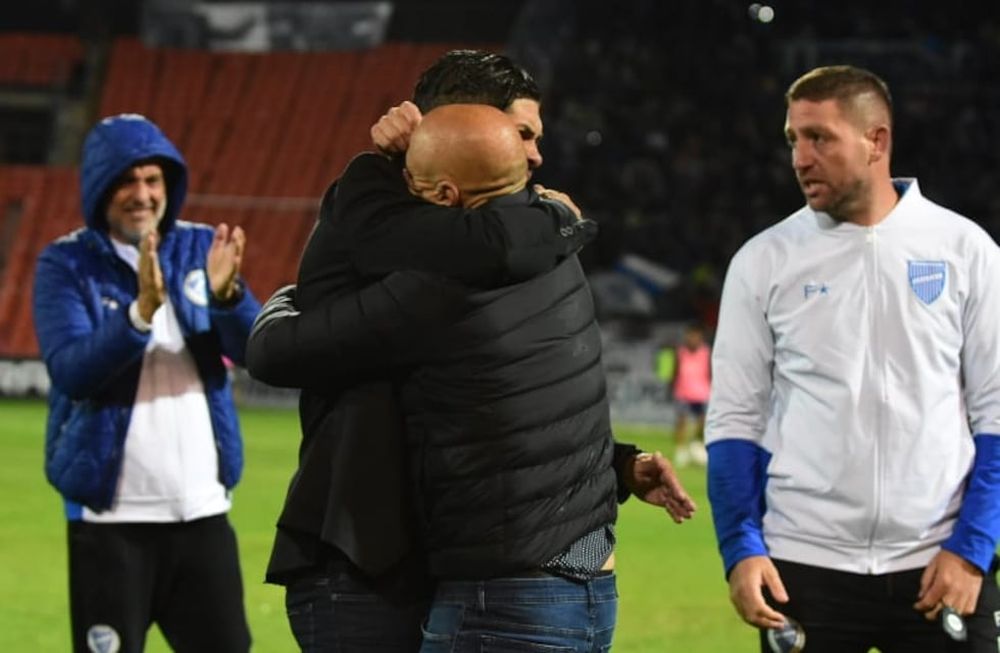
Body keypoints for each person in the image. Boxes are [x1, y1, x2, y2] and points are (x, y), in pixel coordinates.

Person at [250, 49, 693, 653]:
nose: (533, 156)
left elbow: (505, 393)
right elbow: (279, 354)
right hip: (360, 566)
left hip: (452, 566)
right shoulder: (465, 251)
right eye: (520, 134)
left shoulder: (499, 250)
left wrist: (610, 461)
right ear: (458, 131)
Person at [706, 64, 1000, 652]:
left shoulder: (965, 250)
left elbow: (996, 411)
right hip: (803, 566)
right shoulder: (764, 261)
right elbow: (735, 420)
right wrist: (741, 549)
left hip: (938, 563)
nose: (800, 158)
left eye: (819, 138)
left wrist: (972, 548)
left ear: (877, 141)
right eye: (793, 139)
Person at [32, 114, 260, 653]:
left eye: (153, 180)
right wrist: (138, 316)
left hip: (202, 514)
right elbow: (71, 371)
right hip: (112, 522)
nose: (142, 194)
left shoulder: (202, 247)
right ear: (99, 187)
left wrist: (228, 299)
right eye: (127, 180)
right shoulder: (68, 265)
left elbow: (256, 351)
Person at [668, 323, 711, 467]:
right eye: (690, 335)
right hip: (683, 392)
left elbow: (710, 372)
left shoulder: (706, 352)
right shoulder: (680, 352)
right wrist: (671, 387)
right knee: (681, 421)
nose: (693, 339)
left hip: (702, 392)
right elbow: (675, 371)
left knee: (703, 421)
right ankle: (681, 450)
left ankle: (697, 444)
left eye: (696, 336)